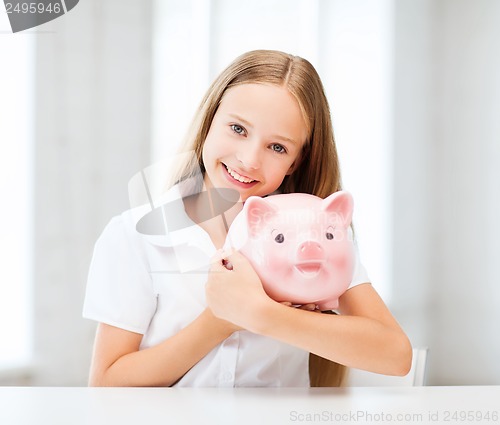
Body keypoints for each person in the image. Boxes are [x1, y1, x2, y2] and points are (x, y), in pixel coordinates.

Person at [83, 49, 412, 387]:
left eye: (278, 147)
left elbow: (395, 354)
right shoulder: (135, 236)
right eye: (238, 129)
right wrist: (219, 321)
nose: (249, 160)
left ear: (296, 162)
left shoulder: (317, 234)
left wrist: (262, 314)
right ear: (210, 121)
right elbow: (108, 382)